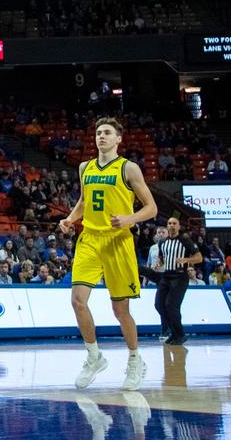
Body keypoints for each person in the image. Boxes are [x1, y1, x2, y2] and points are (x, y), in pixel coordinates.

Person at [59, 118, 157, 391]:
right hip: (89, 239)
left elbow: (151, 208)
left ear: (118, 139)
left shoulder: (129, 168)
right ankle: (94, 357)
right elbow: (83, 201)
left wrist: (129, 218)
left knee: (120, 309)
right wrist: (70, 219)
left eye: (107, 133)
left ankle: (135, 360)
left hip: (117, 241)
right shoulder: (84, 167)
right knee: (77, 301)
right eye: (98, 132)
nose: (101, 136)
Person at [153, 216, 201, 345]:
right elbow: (162, 257)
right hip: (166, 275)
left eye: (174, 223)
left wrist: (186, 260)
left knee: (171, 306)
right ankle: (175, 332)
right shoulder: (162, 242)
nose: (172, 225)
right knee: (159, 305)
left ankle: (179, 334)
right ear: (167, 226)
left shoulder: (185, 239)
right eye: (169, 223)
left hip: (180, 276)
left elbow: (199, 258)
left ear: (179, 226)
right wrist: (158, 263)